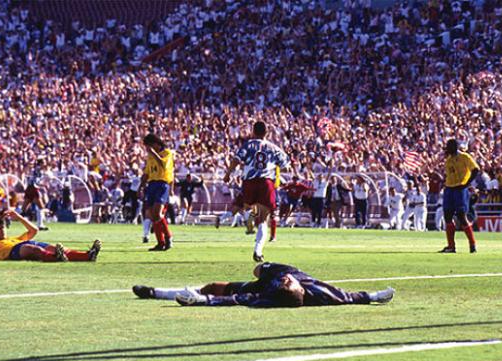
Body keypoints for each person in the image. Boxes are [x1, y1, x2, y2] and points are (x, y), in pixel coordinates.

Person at [132, 262, 395, 308]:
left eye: (286, 283)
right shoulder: (322, 292)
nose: (287, 281)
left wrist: (202, 301)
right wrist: (374, 295)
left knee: (213, 286)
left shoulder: (269, 294)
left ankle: (155, 293)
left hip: (263, 281)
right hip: (280, 271)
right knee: (259, 268)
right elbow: (351, 296)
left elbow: (236, 300)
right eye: (289, 283)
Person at [223, 121, 292, 262]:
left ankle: (249, 217)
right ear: (266, 133)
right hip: (266, 182)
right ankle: (258, 251)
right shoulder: (274, 148)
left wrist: (228, 173)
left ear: (253, 131)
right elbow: (286, 167)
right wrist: (273, 167)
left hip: (249, 182)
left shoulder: (248, 145)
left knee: (248, 206)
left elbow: (236, 160)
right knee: (263, 220)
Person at [0, 210, 101, 262]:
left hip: (21, 245)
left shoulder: (12, 239)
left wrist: (18, 217)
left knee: (56, 248)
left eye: (3, 228)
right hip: (14, 251)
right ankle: (56, 258)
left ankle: (87, 256)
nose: (3, 231)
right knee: (33, 249)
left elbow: (34, 230)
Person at [439, 138, 480, 253]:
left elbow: (476, 169)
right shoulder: (448, 160)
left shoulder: (464, 157)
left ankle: (472, 245)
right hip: (449, 189)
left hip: (460, 189)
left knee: (462, 216)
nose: (447, 148)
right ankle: (451, 246)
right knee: (447, 215)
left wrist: (466, 184)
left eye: (449, 146)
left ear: (455, 147)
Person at [139, 133, 175, 251]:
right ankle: (160, 243)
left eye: (149, 146)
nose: (148, 149)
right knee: (151, 216)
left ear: (155, 144)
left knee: (158, 214)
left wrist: (153, 154)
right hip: (151, 185)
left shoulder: (167, 153)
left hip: (162, 185)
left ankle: (169, 237)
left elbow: (163, 165)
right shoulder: (150, 156)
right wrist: (140, 187)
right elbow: (146, 173)